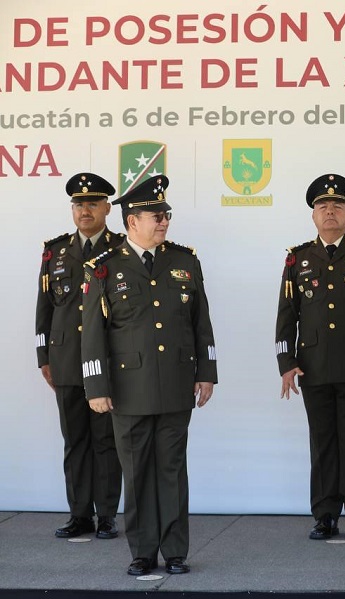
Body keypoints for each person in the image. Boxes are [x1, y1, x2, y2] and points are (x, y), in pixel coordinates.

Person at [81, 175, 217, 576]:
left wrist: (206, 372)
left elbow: (201, 323)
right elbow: (92, 335)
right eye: (156, 215)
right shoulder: (104, 269)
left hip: (176, 384)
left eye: (166, 214)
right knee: (137, 472)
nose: (164, 222)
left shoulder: (185, 261)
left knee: (173, 469)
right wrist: (96, 386)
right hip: (128, 390)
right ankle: (142, 551)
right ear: (131, 220)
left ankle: (175, 551)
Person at [276, 173, 345, 542]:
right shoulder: (298, 259)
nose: (330, 211)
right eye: (322, 206)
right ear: (313, 215)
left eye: (337, 205)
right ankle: (324, 515)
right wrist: (286, 363)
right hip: (314, 367)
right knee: (322, 443)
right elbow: (286, 315)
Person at [36, 172, 124, 540]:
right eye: (78, 204)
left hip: (105, 364)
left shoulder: (121, 248)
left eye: (91, 203)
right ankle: (79, 515)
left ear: (107, 208)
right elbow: (45, 308)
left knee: (106, 441)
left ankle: (106, 516)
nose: (84, 211)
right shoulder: (56, 251)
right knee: (75, 441)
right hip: (67, 361)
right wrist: (44, 356)